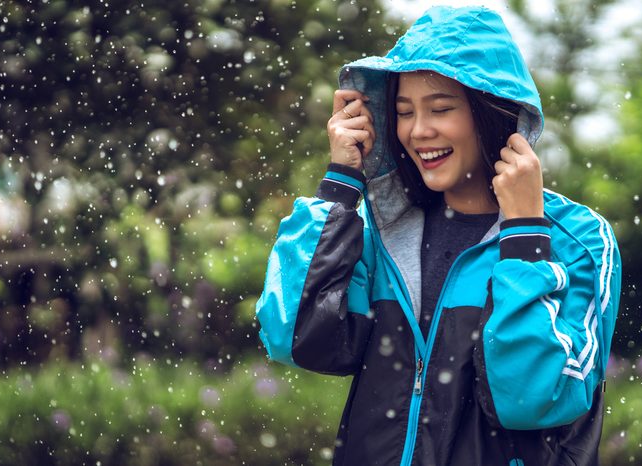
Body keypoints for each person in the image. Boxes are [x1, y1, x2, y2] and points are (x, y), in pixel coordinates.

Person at [255, 5, 621, 466]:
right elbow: (295, 337)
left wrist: (525, 234)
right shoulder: (375, 233)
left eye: (441, 109)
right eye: (403, 112)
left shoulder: (579, 240)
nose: (418, 131)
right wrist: (341, 183)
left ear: (491, 113)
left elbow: (532, 397)